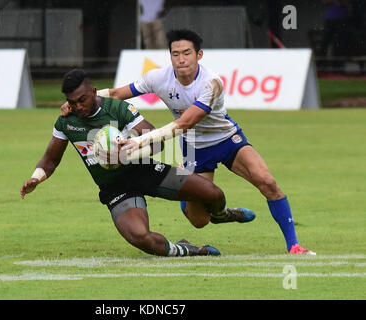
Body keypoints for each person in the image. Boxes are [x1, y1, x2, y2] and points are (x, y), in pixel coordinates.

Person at [62, 30, 315, 255]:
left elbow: (185, 123)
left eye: (187, 53)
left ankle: (293, 245)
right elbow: (116, 94)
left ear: (199, 55)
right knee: (199, 221)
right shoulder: (157, 77)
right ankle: (221, 214)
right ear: (170, 56)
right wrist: (76, 102)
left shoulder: (211, 82)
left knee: (267, 181)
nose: (181, 59)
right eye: (175, 54)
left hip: (227, 139)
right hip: (194, 146)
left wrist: (141, 142)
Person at [21, 69, 251, 257]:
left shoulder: (117, 108)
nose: (78, 106)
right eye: (73, 102)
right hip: (115, 189)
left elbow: (157, 142)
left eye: (83, 99)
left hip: (146, 170)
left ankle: (221, 215)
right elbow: (50, 160)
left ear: (93, 92)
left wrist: (126, 153)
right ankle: (189, 250)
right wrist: (36, 177)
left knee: (213, 193)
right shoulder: (66, 122)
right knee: (141, 238)